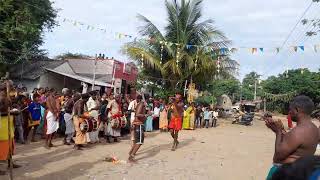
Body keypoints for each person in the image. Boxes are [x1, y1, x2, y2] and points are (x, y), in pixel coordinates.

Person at [264, 95, 320, 180]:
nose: (289, 112)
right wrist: (281, 130)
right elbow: (292, 143)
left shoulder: (299, 131)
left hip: (287, 173)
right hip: (300, 172)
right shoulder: (314, 128)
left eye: (290, 109)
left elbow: (278, 157)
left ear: (297, 110)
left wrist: (278, 132)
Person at [128, 95, 146, 162]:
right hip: (139, 124)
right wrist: (146, 115)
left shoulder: (140, 104)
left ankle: (131, 153)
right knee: (139, 141)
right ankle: (131, 156)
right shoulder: (141, 104)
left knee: (137, 141)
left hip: (138, 124)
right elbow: (137, 114)